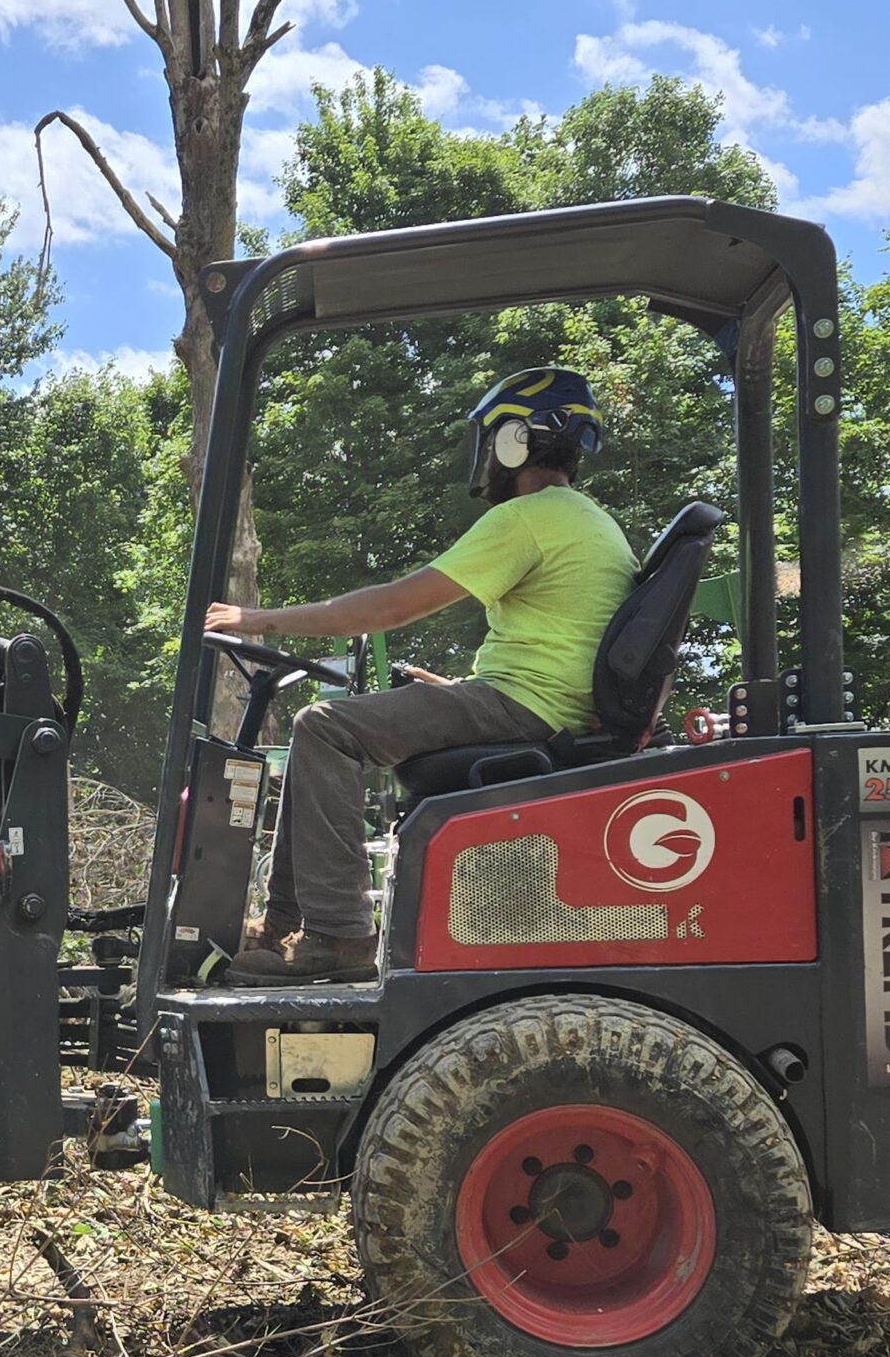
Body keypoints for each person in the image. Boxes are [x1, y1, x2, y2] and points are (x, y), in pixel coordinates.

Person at [203, 367, 636, 985]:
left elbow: (389, 607)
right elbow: (559, 639)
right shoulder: (590, 521)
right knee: (324, 732)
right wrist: (451, 691)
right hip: (538, 701)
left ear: (515, 441)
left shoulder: (530, 517)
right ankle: (283, 925)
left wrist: (259, 619)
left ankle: (338, 933)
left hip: (523, 704)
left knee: (324, 727)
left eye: (491, 440)